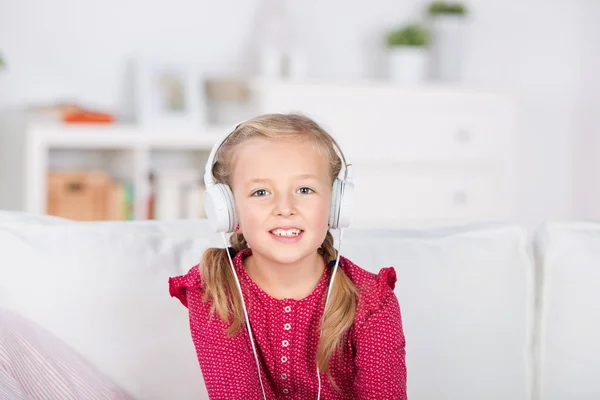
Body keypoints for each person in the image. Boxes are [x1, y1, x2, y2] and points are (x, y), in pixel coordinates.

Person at [169, 113, 407, 399]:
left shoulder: (372, 301)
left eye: (304, 189)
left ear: (335, 206)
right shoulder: (216, 292)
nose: (285, 208)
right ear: (229, 212)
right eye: (261, 192)